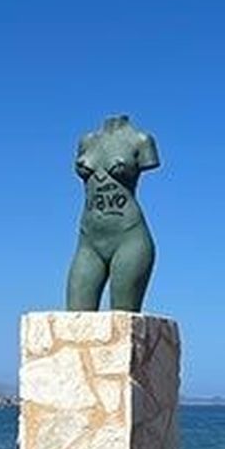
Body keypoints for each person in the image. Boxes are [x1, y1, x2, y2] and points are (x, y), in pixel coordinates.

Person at [65, 114, 160, 312]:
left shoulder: (141, 140)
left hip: (129, 237)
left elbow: (149, 163)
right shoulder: (87, 141)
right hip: (89, 241)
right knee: (75, 318)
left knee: (122, 319)